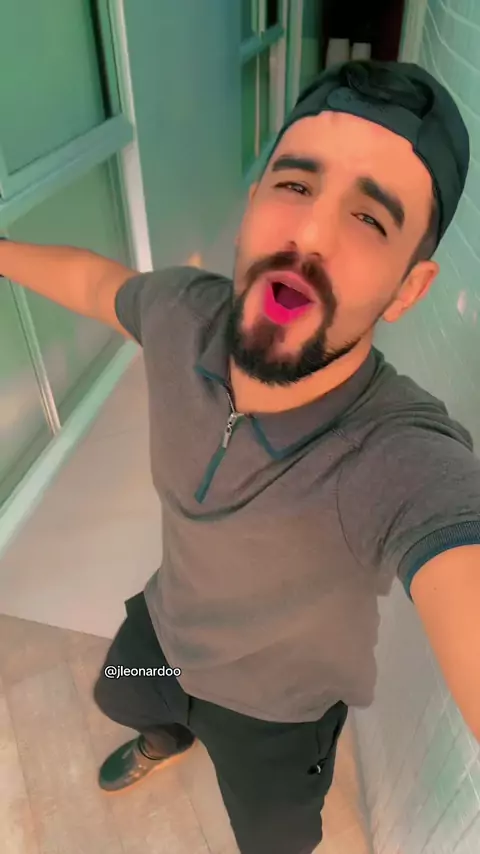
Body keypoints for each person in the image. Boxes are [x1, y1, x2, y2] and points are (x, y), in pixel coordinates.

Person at [2, 60, 480, 854]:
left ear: (407, 288)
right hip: (163, 639)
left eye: (370, 218)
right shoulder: (181, 313)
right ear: (253, 203)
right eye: (295, 185)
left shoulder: (398, 455)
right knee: (121, 694)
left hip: (274, 721)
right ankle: (164, 739)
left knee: (274, 841)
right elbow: (95, 284)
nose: (310, 236)